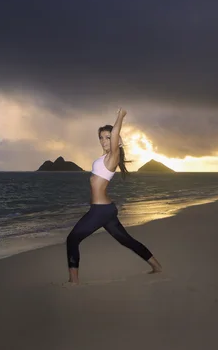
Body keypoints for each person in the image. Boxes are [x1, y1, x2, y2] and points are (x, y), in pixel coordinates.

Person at [66, 108, 162, 284]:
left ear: (116, 141)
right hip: (105, 210)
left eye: (108, 138)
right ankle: (156, 266)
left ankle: (74, 282)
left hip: (100, 211)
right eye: (101, 137)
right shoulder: (103, 159)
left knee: (72, 239)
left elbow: (116, 132)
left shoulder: (113, 156)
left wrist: (121, 115)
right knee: (127, 241)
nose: (104, 141)